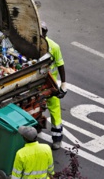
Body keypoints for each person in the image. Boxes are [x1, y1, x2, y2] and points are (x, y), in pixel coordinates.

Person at [41, 21, 67, 150]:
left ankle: (57, 139)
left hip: (50, 84)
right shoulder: (31, 45)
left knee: (55, 111)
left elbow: (60, 65)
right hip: (35, 83)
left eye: (43, 31)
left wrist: (63, 84)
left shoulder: (54, 47)